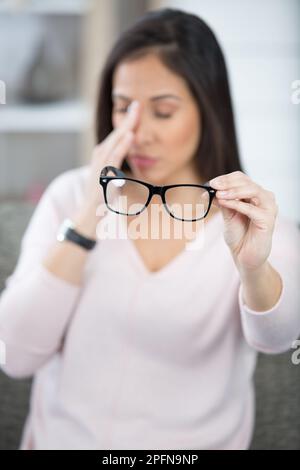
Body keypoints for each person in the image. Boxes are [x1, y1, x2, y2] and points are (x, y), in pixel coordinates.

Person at [0, 8, 299, 450]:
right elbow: (16, 356)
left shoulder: (258, 225)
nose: (136, 132)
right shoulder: (70, 196)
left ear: (208, 108)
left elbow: (278, 338)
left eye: (163, 111)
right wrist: (87, 218)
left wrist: (253, 268)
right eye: (123, 108)